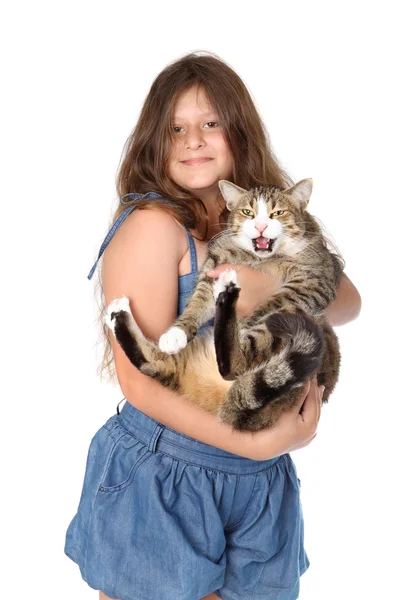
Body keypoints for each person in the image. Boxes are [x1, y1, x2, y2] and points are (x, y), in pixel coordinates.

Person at [65, 52, 361, 600]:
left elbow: (347, 303)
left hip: (258, 479)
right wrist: (256, 445)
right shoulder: (155, 227)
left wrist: (270, 286)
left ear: (238, 131)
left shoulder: (264, 219)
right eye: (176, 129)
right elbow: (138, 381)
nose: (193, 141)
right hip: (169, 473)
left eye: (210, 124)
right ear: (156, 141)